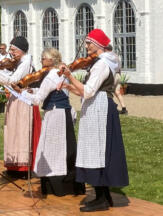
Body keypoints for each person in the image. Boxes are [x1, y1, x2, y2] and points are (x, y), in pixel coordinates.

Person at [58, 29, 129, 212]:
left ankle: (102, 199)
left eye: (89, 43)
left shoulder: (101, 65)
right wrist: (68, 85)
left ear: (98, 45)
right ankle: (103, 196)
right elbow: (88, 91)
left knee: (97, 151)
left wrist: (69, 76)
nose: (87, 46)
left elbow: (88, 91)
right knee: (96, 151)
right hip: (96, 106)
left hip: (99, 109)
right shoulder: (101, 63)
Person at [21, 48, 85, 196]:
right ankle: (71, 186)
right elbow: (48, 92)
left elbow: (38, 100)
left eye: (43, 58)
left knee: (52, 151)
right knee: (66, 150)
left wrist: (21, 93)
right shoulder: (60, 74)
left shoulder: (51, 76)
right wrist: (33, 92)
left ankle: (56, 187)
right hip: (64, 113)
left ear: (51, 60)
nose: (41, 61)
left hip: (56, 115)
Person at [0, 36, 41, 179]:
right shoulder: (18, 62)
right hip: (16, 99)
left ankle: (24, 168)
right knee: (14, 132)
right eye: (10, 50)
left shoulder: (26, 63)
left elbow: (13, 82)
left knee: (22, 133)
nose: (10, 53)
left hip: (24, 100)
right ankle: (14, 166)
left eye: (13, 50)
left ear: (21, 50)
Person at [106, 45, 128, 114]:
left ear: (106, 49)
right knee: (117, 92)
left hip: (113, 76)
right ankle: (124, 108)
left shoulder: (108, 57)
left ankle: (113, 107)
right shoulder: (116, 56)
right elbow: (119, 66)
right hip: (118, 75)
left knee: (107, 92)